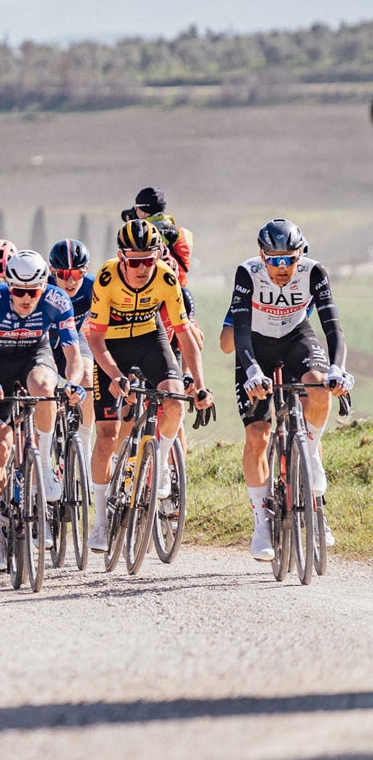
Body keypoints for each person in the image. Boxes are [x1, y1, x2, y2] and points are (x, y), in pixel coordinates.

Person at [84, 218, 213, 553]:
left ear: (158, 255)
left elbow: (184, 334)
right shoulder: (107, 276)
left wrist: (200, 386)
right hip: (112, 346)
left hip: (149, 338)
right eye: (134, 261)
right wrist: (114, 375)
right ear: (121, 257)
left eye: (148, 260)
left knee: (174, 399)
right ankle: (99, 521)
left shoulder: (166, 278)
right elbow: (95, 337)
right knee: (107, 436)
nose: (142, 268)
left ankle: (163, 462)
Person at [228, 218, 349, 559]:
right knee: (258, 434)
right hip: (257, 345)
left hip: (296, 337)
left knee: (321, 389)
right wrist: (251, 369)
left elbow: (333, 328)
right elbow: (239, 329)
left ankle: (310, 456)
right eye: (273, 260)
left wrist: (338, 368)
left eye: (288, 259)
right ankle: (261, 523)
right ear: (262, 255)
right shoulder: (247, 272)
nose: (281, 268)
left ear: (300, 253)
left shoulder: (314, 272)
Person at [0, 250, 85, 570]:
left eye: (32, 292)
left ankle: (45, 468)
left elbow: (72, 353)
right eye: (18, 292)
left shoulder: (57, 299)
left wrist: (74, 382)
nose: (25, 298)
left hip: (35, 357)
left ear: (43, 286)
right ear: (8, 286)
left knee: (45, 389)